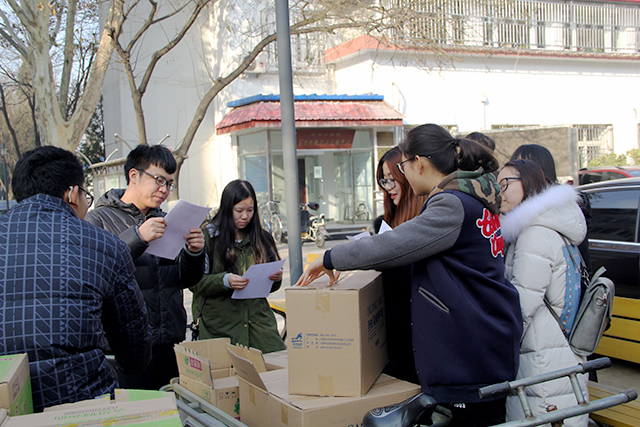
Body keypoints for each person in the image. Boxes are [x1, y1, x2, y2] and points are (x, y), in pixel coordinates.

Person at [297, 124, 523, 427]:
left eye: (402, 167)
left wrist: (330, 258)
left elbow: (394, 244)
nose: (401, 176)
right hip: (482, 342)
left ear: (419, 163)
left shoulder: (452, 204)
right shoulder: (471, 199)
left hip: (472, 352)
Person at [0, 146, 151, 411]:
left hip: (6, 404)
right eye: (85, 196)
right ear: (71, 194)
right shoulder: (105, 245)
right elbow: (133, 346)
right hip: (81, 403)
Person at [85, 144, 205, 390]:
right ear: (134, 175)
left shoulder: (167, 220)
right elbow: (95, 273)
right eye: (159, 180)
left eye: (169, 184)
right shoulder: (98, 219)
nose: (164, 190)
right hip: (124, 350)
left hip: (169, 342)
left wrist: (195, 253)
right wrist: (137, 238)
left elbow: (186, 279)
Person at [498, 159, 589, 427]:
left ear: (527, 182)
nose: (499, 191)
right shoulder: (554, 226)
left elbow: (522, 307)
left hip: (540, 357)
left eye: (505, 183)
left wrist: (497, 348)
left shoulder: (534, 234)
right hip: (560, 350)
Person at [191, 180, 286, 353]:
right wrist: (225, 280)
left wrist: (275, 278)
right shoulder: (208, 238)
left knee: (273, 365)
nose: (245, 216)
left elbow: (271, 287)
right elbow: (195, 282)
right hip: (220, 328)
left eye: (250, 210)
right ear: (227, 209)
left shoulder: (263, 238)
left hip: (259, 327)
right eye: (239, 210)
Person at [375, 147, 427, 383]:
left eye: (392, 179)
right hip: (390, 333)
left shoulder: (425, 222)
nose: (389, 187)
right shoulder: (385, 223)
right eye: (384, 181)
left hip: (416, 334)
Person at [510, 144, 592, 273]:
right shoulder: (516, 206)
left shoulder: (560, 208)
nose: (519, 171)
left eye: (524, 166)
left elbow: (582, 255)